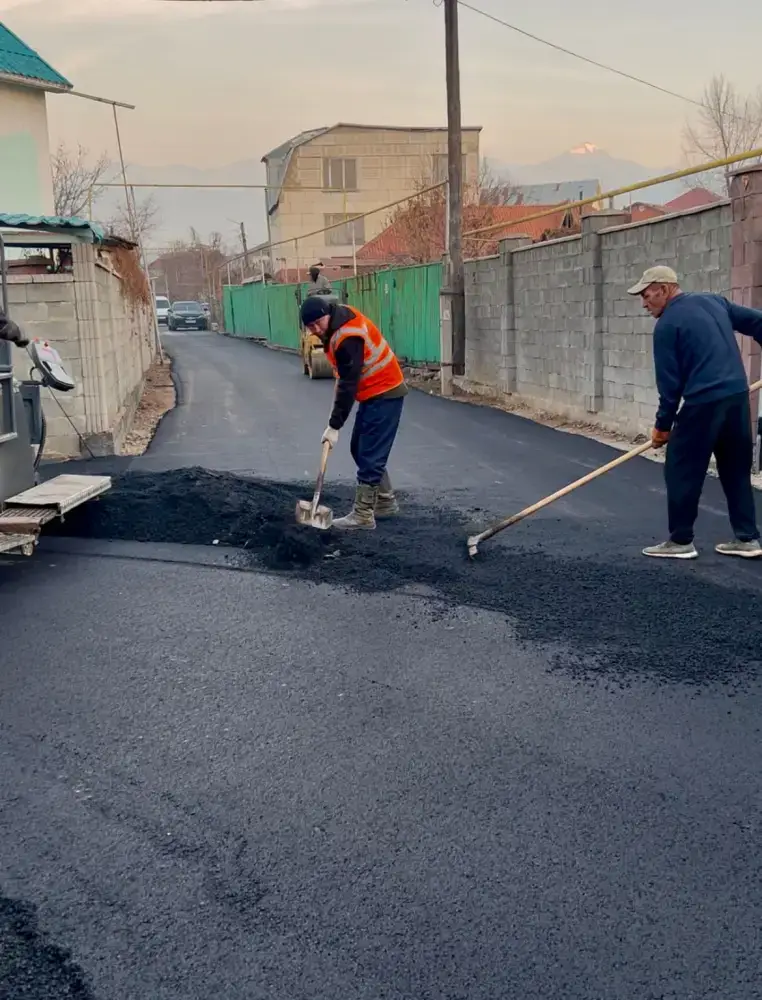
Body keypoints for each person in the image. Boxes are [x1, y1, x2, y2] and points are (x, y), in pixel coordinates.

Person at [628, 265, 762, 559]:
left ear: (663, 289)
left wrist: (662, 428)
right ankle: (748, 538)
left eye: (646, 295)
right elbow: (758, 323)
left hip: (703, 403)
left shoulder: (666, 326)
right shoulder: (715, 302)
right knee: (736, 469)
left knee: (681, 468)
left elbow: (670, 387)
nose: (643, 302)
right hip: (737, 398)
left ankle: (680, 541)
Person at [299, 296, 407, 529]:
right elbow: (343, 378)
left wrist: (335, 426)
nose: (316, 330)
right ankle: (385, 501)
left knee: (369, 454)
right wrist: (332, 422)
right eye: (310, 327)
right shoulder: (336, 326)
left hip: (385, 391)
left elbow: (349, 383)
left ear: (328, 313)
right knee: (359, 447)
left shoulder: (348, 335)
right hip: (373, 392)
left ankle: (363, 515)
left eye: (318, 322)